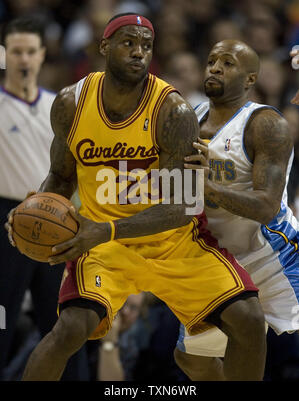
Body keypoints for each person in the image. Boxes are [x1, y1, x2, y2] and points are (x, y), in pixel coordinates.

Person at [6, 13, 267, 381]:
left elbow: (183, 206)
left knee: (250, 320)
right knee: (67, 329)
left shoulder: (172, 111)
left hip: (172, 242)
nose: (138, 52)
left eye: (146, 45)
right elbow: (61, 176)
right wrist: (28, 213)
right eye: (128, 43)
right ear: (104, 46)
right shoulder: (71, 104)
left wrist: (106, 230)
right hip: (104, 249)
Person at [174, 39, 299, 381]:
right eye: (212, 60)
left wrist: (207, 188)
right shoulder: (187, 118)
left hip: (274, 259)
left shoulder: (265, 124)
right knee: (192, 358)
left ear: (249, 79)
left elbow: (266, 206)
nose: (215, 67)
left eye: (228, 63)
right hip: (220, 262)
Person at [0, 16, 89, 381]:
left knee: (64, 324)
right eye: (16, 52)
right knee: (2, 320)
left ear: (42, 55)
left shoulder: (61, 107)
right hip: (6, 219)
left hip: (58, 219)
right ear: (5, 55)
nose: (23, 59)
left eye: (30, 52)